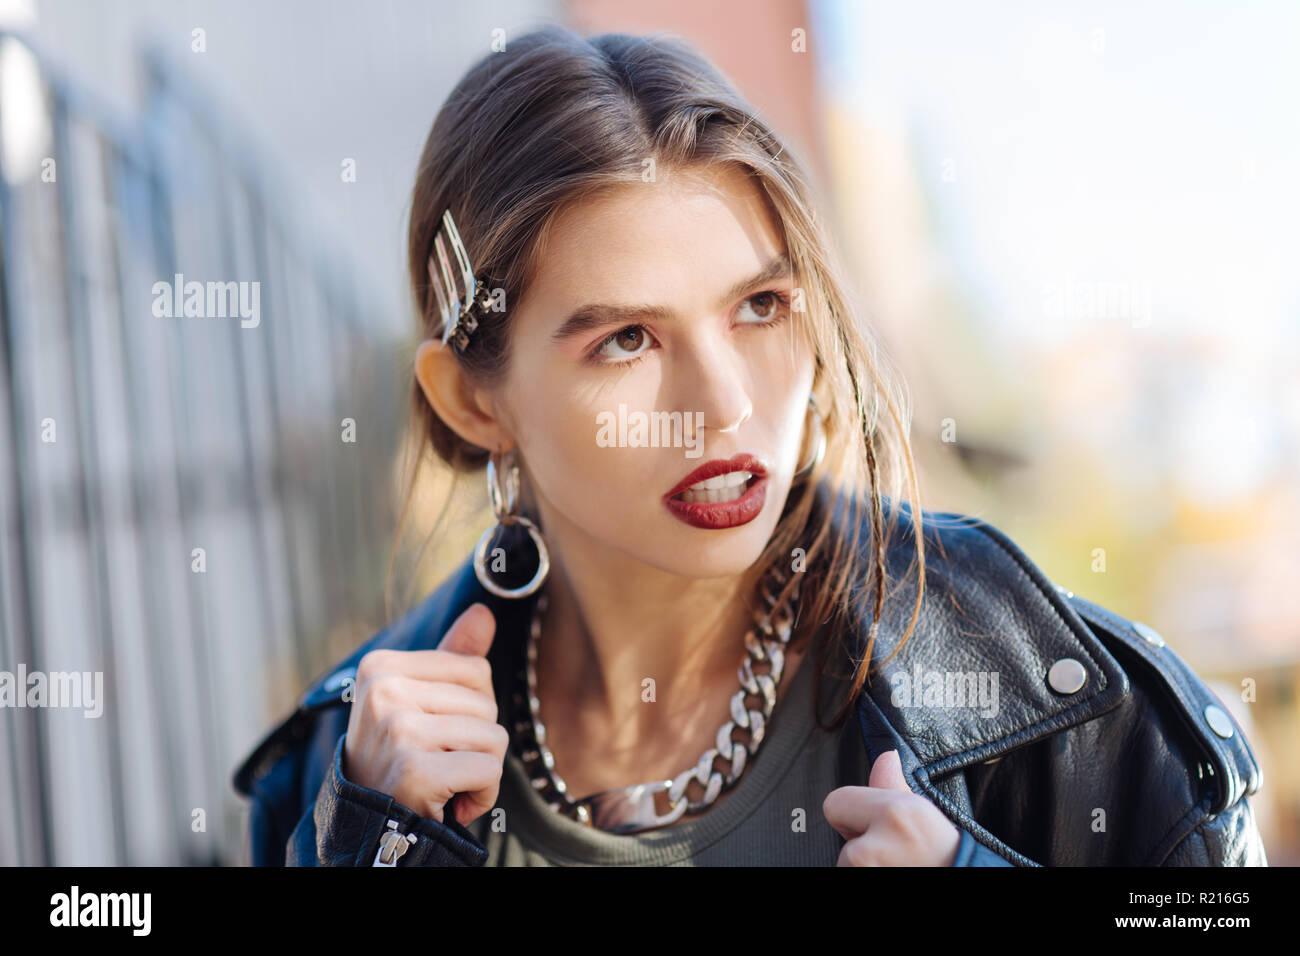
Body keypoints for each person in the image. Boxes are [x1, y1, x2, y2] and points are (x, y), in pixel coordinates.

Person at [232, 25, 1267, 867]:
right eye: (626, 338)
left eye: (761, 306)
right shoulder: (345, 767)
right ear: (473, 400)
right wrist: (373, 845)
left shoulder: (1051, 693)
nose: (723, 403)